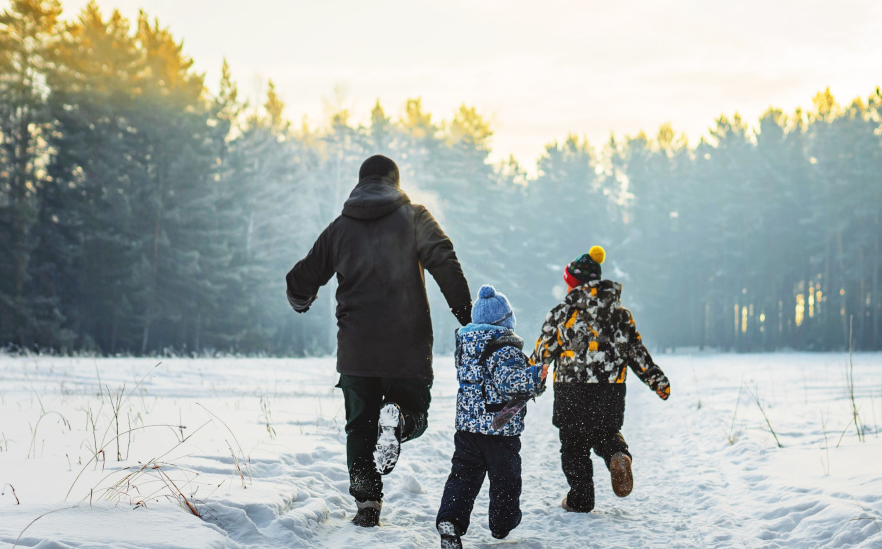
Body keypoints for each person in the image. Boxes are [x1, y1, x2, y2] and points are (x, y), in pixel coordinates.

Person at [286, 154, 474, 528]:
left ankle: (367, 502)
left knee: (359, 426)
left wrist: (302, 301)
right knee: (415, 413)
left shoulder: (340, 228)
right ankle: (399, 422)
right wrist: (467, 315)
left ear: (360, 183)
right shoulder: (416, 216)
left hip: (357, 349)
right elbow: (445, 261)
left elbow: (300, 279)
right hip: (407, 347)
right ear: (395, 182)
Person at [529, 245, 671, 513]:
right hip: (610, 391)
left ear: (575, 283)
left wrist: (527, 382)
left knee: (574, 445)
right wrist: (657, 381)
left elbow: (542, 353)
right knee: (606, 434)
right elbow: (637, 353)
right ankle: (618, 455)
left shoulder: (562, 313)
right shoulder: (620, 316)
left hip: (571, 391)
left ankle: (581, 498)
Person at [435, 285, 548, 549]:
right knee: (505, 480)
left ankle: (451, 519)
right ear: (505, 320)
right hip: (500, 430)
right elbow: (509, 382)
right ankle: (502, 524)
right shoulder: (504, 346)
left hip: (467, 429)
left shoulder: (467, 345)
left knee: (463, 477)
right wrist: (534, 377)